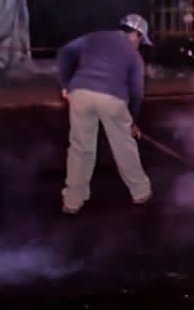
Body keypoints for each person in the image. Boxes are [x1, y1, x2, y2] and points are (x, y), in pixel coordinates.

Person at [58, 13, 153, 214]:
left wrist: (65, 84)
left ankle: (72, 201)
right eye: (141, 40)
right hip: (112, 98)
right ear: (135, 34)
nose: (140, 44)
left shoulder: (95, 36)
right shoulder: (134, 56)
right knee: (124, 146)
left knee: (80, 148)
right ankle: (141, 191)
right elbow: (136, 93)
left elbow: (65, 52)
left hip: (80, 93)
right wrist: (133, 121)